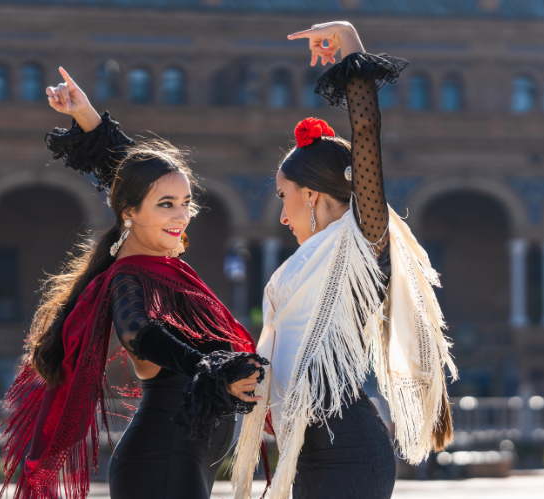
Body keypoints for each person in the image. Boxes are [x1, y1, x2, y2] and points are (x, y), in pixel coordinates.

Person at [0, 69, 268, 499]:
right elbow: (141, 334)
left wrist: (86, 116)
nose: (181, 216)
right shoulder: (129, 277)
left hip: (181, 462)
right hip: (160, 464)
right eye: (166, 205)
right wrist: (212, 367)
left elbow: (133, 173)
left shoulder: (163, 268)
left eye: (185, 203)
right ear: (128, 212)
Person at [231, 22, 458, 499]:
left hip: (348, 450)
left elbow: (367, 131)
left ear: (311, 195)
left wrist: (349, 45)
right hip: (309, 447)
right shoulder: (309, 258)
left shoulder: (361, 240)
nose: (280, 213)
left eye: (283, 196)